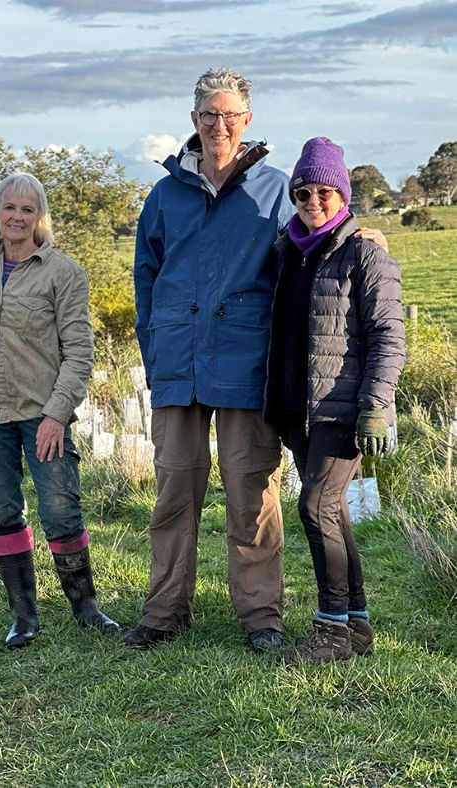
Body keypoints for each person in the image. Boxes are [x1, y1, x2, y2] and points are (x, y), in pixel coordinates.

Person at [128, 68, 293, 653]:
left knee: (252, 492)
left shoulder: (275, 190)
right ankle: (165, 611)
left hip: (248, 365)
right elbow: (145, 279)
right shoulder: (166, 193)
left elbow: (314, 248)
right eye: (207, 115)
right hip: (178, 362)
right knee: (174, 492)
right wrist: (155, 352)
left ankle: (261, 617)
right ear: (193, 121)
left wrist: (364, 235)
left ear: (247, 120)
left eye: (229, 115)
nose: (218, 125)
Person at [0, 172, 119, 648]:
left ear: (40, 217)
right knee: (2, 508)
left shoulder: (63, 273)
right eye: (10, 207)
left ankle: (86, 607)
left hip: (43, 410)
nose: (17, 217)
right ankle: (23, 616)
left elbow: (80, 352)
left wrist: (57, 414)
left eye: (28, 209)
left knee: (60, 507)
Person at [266, 137, 405, 662]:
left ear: (343, 194)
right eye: (303, 192)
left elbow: (390, 337)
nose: (313, 201)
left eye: (325, 191)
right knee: (332, 513)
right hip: (297, 405)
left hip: (344, 408)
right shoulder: (287, 251)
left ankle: (330, 630)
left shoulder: (366, 254)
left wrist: (376, 404)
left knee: (316, 506)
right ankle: (357, 625)